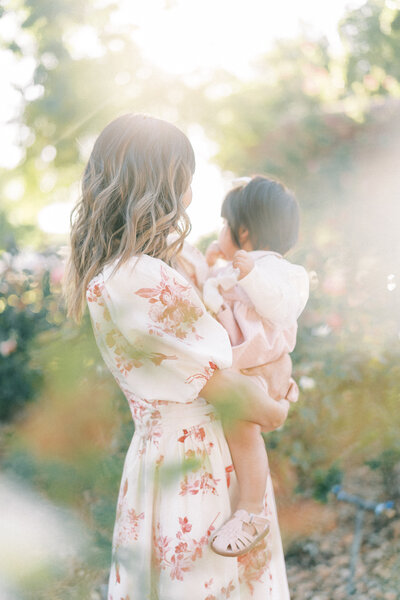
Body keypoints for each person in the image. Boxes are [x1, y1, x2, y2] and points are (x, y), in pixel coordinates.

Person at [63, 113, 294, 599]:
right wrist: (278, 406)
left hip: (169, 454)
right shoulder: (140, 277)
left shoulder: (123, 273)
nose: (190, 197)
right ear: (161, 185)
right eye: (185, 182)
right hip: (198, 461)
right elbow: (230, 391)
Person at [197, 176, 309, 557]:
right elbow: (216, 302)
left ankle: (251, 510)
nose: (220, 232)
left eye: (223, 224)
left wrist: (250, 275)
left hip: (264, 368)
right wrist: (213, 269)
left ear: (243, 231)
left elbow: (279, 310)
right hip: (242, 368)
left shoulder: (285, 273)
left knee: (243, 431)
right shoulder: (236, 268)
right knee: (235, 431)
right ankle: (244, 502)